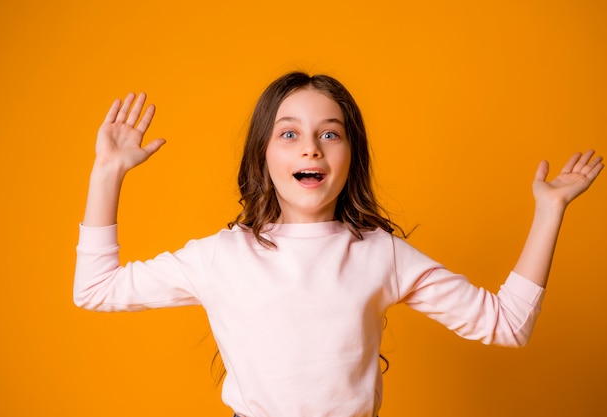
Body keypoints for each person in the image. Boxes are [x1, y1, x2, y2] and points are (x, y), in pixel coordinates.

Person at [74, 72, 603, 417]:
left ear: (351, 156)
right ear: (262, 156)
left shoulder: (380, 254)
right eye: (288, 134)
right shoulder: (221, 256)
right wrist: (107, 173)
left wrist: (549, 211)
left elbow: (507, 324)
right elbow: (94, 289)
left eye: (331, 133)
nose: (310, 146)